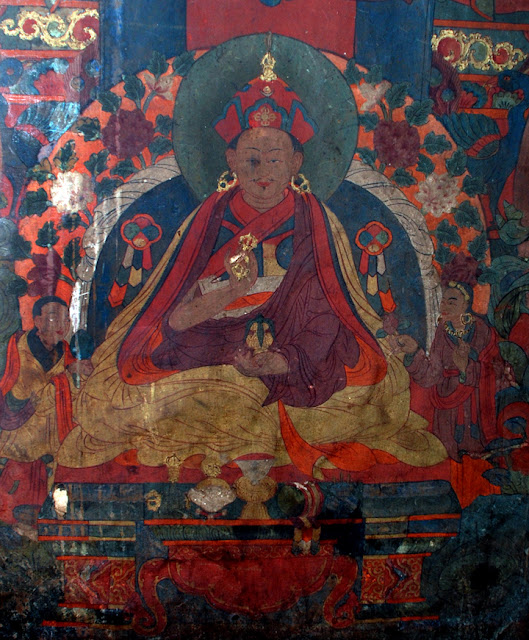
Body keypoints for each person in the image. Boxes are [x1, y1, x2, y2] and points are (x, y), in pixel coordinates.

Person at [57, 52, 447, 478]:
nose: (263, 172)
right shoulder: (208, 218)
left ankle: (239, 427)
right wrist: (231, 292)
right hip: (211, 354)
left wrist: (282, 361)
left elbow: (328, 312)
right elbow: (174, 320)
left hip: (297, 357)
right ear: (230, 160)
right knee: (122, 399)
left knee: (376, 392)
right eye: (251, 158)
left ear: (296, 162)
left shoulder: (314, 219)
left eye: (275, 159)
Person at [392, 254, 510, 461]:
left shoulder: (482, 331)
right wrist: (414, 352)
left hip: (477, 408)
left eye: (452, 301)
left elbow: (497, 372)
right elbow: (433, 374)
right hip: (447, 410)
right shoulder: (442, 332)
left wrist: (467, 368)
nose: (444, 306)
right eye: (443, 301)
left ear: (466, 304)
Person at [0, 296, 92, 523]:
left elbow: (72, 393)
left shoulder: (64, 351)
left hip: (50, 439)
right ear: (38, 321)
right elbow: (30, 396)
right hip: (19, 432)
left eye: (66, 319)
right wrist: (67, 376)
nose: (61, 324)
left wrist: (78, 373)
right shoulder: (19, 348)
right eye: (53, 317)